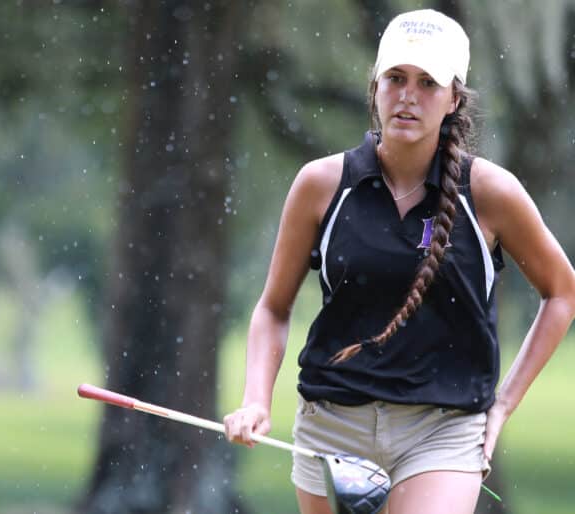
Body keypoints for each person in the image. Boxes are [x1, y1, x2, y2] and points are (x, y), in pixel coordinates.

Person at [223, 8, 575, 514]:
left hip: (443, 429)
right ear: (376, 87)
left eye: (428, 82)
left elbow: (562, 291)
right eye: (396, 78)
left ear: (454, 97)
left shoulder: (491, 192)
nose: (408, 95)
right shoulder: (321, 185)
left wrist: (502, 406)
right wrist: (256, 398)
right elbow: (273, 309)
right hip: (332, 425)